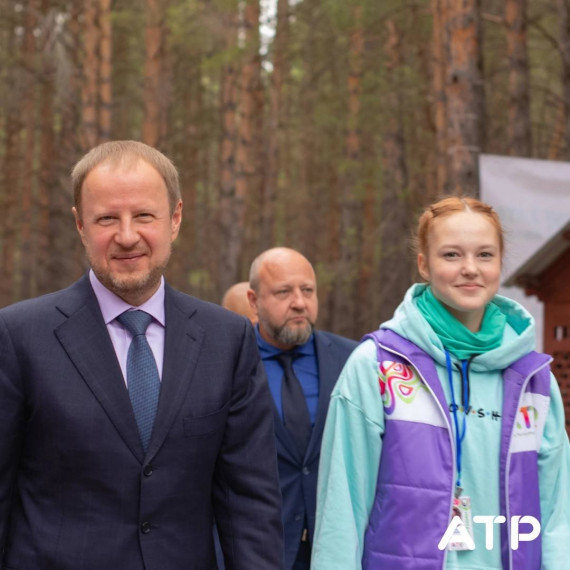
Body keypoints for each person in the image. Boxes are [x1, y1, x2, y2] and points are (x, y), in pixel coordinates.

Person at [0, 140, 284, 570]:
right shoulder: (19, 337)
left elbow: (250, 504)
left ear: (175, 218)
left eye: (144, 216)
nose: (127, 235)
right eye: (107, 218)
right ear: (80, 225)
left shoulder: (227, 340)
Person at [312, 197, 570, 570]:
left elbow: (557, 515)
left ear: (500, 263)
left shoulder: (534, 379)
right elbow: (342, 511)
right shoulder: (377, 366)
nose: (470, 269)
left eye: (484, 255)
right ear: (423, 264)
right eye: (451, 255)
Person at [247, 247, 358, 570]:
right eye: (283, 292)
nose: (299, 302)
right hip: (259, 551)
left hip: (335, 549)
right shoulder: (231, 363)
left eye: (307, 290)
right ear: (254, 301)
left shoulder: (353, 360)